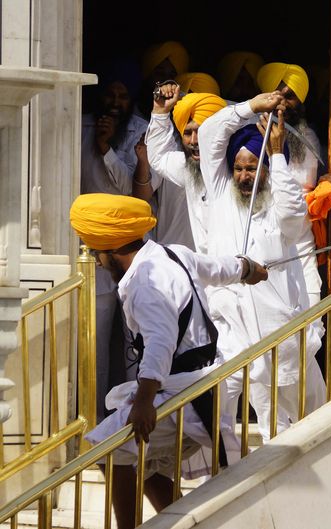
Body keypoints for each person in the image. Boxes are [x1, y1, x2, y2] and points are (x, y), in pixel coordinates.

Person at [70, 193, 267, 529]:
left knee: (109, 448)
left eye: (95, 252)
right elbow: (218, 267)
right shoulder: (171, 253)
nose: (97, 262)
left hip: (184, 392)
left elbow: (160, 342)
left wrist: (144, 402)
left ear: (111, 248)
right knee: (142, 463)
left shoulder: (146, 282)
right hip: (199, 384)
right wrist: (248, 268)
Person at [198, 91, 326, 437]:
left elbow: (294, 216)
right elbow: (209, 134)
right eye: (239, 168)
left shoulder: (278, 199)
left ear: (267, 169)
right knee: (254, 419)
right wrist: (252, 106)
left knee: (312, 417)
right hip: (239, 331)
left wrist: (277, 156)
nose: (244, 176)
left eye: (253, 168)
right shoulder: (221, 191)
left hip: (283, 333)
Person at [81, 60, 150, 419]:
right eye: (110, 94)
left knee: (134, 342)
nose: (115, 102)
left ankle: (131, 418)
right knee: (94, 343)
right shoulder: (80, 126)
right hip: (92, 254)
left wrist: (106, 148)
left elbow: (133, 191)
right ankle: (95, 420)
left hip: (131, 252)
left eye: (123, 96)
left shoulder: (141, 131)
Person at [258, 62, 331, 307]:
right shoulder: (251, 134)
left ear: (301, 101)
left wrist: (323, 183)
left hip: (302, 234)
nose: (283, 102)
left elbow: (316, 177)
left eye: (290, 96)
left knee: (310, 298)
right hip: (265, 230)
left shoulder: (310, 136)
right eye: (278, 94)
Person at [144, 87, 227, 253]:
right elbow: (158, 157)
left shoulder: (239, 169)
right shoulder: (188, 168)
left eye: (201, 131)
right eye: (188, 133)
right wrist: (160, 112)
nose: (194, 140)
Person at [139, 41, 189, 117]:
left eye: (172, 76)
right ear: (148, 75)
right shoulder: (130, 116)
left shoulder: (185, 118)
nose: (166, 80)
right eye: (160, 73)